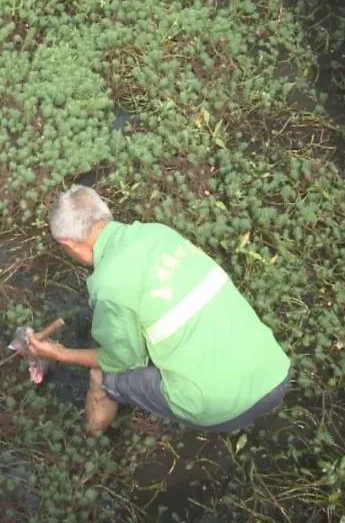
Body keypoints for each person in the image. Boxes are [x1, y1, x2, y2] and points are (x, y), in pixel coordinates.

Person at [28, 185, 291, 434]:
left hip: (221, 408)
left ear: (69, 244)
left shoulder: (108, 283)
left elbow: (122, 361)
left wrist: (59, 353)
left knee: (104, 372)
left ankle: (92, 437)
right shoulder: (158, 232)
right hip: (277, 374)